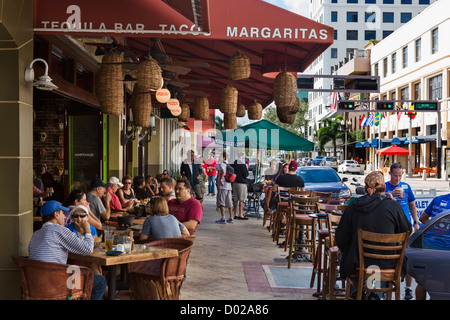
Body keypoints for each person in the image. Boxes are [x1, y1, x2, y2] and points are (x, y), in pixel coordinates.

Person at [335, 171, 411, 299]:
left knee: (346, 256)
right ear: (385, 187)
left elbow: (341, 238)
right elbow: (407, 231)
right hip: (388, 264)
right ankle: (376, 293)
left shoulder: (355, 205)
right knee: (379, 263)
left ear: (365, 188)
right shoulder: (393, 206)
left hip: (359, 263)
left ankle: (358, 291)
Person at [28, 200, 107, 300]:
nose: (65, 217)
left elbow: (30, 251)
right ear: (56, 214)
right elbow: (87, 249)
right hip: (57, 285)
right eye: (62, 213)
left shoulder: (36, 234)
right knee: (100, 281)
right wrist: (87, 230)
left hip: (35, 285)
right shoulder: (60, 230)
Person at [385, 162, 420, 300]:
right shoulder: (385, 188)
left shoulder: (406, 187)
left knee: (408, 258)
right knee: (389, 258)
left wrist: (416, 222)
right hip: (391, 229)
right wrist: (391, 196)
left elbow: (412, 204)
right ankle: (386, 287)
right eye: (395, 176)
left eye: (400, 176)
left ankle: (408, 288)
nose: (397, 179)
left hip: (407, 227)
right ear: (390, 173)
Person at [215, 152, 234, 224]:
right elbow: (216, 167)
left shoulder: (222, 164)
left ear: (224, 157)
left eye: (220, 156)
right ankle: (231, 217)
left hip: (223, 186)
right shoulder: (228, 164)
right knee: (229, 202)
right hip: (229, 186)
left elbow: (222, 171)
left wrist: (220, 179)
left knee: (221, 202)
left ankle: (223, 218)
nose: (219, 157)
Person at [232, 152, 249, 220]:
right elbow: (246, 174)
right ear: (242, 156)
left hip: (235, 183)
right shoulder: (242, 165)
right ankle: (240, 214)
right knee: (241, 199)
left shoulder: (234, 163)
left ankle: (235, 214)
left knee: (235, 199)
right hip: (241, 184)